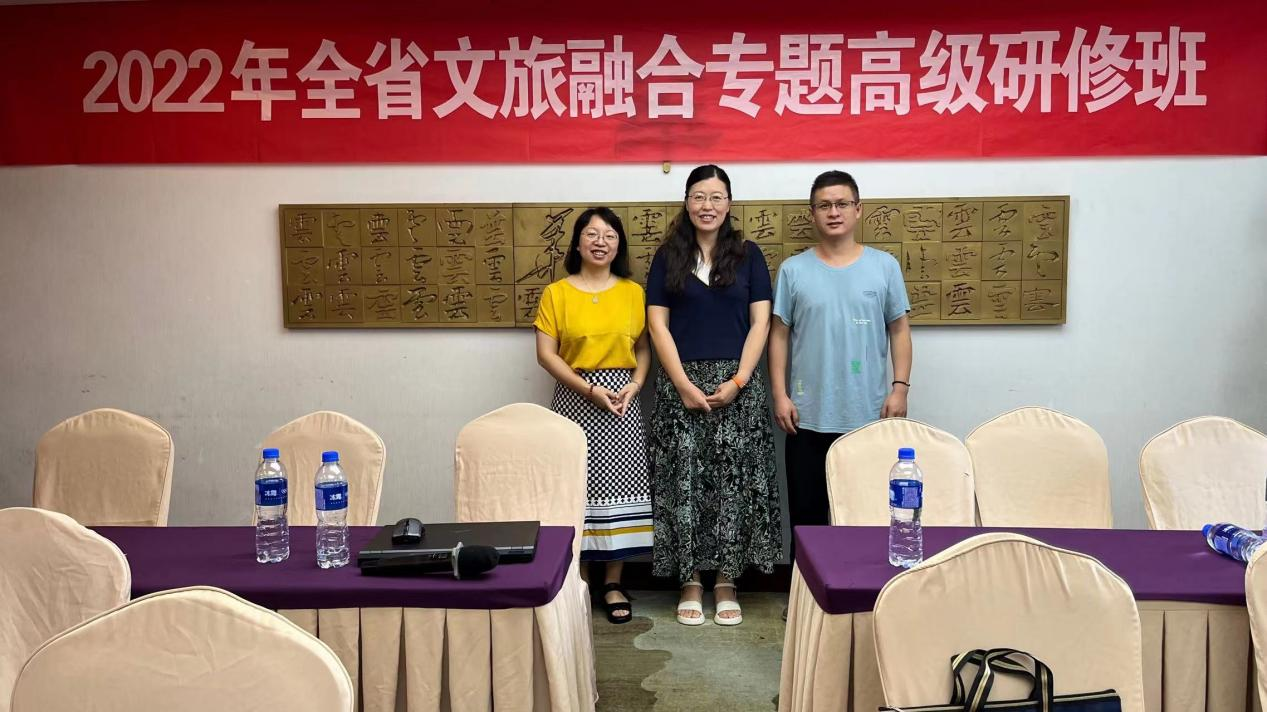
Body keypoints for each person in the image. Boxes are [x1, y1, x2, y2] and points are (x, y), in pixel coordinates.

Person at [646, 164, 781, 627]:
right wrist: (683, 384)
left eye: (716, 197)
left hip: (737, 386)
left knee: (733, 483)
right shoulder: (668, 256)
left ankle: (726, 580)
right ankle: (689, 580)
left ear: (729, 204)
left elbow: (761, 323)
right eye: (699, 196)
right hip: (679, 385)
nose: (708, 205)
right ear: (687, 202)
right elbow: (657, 324)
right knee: (682, 482)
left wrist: (739, 380)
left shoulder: (748, 255)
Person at [770, 169, 913, 540]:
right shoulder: (793, 271)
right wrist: (780, 395)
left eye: (842, 204)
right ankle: (807, 582)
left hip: (868, 414)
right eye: (824, 206)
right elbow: (779, 335)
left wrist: (900, 388)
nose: (834, 212)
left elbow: (899, 329)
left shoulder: (884, 266)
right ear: (812, 214)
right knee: (808, 521)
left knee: (866, 515)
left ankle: (866, 581)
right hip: (805, 416)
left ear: (858, 209)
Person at [534, 207, 653, 624]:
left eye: (609, 235)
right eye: (592, 234)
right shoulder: (557, 293)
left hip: (622, 400)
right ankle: (578, 579)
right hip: (575, 398)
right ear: (578, 242)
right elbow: (546, 354)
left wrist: (635, 384)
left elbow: (643, 348)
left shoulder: (633, 293)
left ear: (619, 245)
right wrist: (587, 389)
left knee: (619, 490)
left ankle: (613, 583)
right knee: (577, 489)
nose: (600, 242)